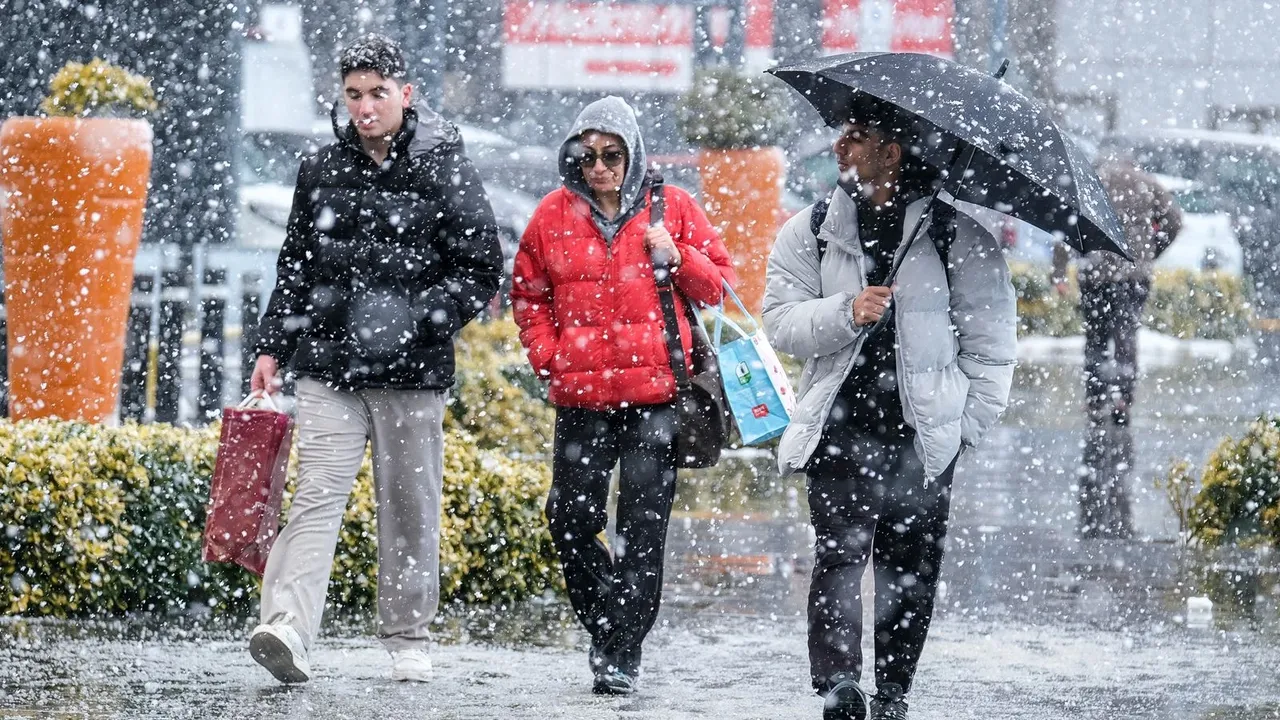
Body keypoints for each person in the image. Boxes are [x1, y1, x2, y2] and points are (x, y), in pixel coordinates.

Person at [247, 33, 503, 684]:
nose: (365, 107)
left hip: (412, 373)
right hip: (329, 364)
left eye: (378, 94)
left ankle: (408, 637)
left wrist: (417, 319)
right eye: (354, 94)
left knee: (409, 504)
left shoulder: (444, 163)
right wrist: (272, 344)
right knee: (314, 499)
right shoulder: (321, 166)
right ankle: (287, 629)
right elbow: (296, 264)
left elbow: (479, 268)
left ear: (406, 94)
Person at [762, 99, 1017, 720]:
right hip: (839, 428)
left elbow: (993, 347)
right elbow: (780, 322)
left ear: (891, 152)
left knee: (911, 566)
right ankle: (839, 685)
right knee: (840, 555)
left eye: (854, 138)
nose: (840, 148)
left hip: (921, 435)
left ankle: (894, 690)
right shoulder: (812, 228)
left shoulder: (959, 236)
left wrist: (962, 429)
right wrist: (846, 312)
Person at [510, 96, 736, 696]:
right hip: (581, 398)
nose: (600, 167)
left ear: (632, 155)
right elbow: (528, 294)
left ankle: (618, 654)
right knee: (568, 519)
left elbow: (718, 287)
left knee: (643, 528)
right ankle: (613, 622)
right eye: (587, 157)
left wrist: (677, 255)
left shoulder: (674, 209)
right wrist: (548, 355)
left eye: (612, 155)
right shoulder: (551, 216)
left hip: (657, 397)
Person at [1051, 153, 1182, 539]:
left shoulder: (1090, 180)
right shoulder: (1147, 182)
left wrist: (1061, 268)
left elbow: (1065, 225)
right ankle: (1123, 397)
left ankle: (1095, 399)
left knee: (1095, 339)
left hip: (1096, 272)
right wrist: (1151, 251)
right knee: (1127, 340)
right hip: (1132, 272)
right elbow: (1175, 222)